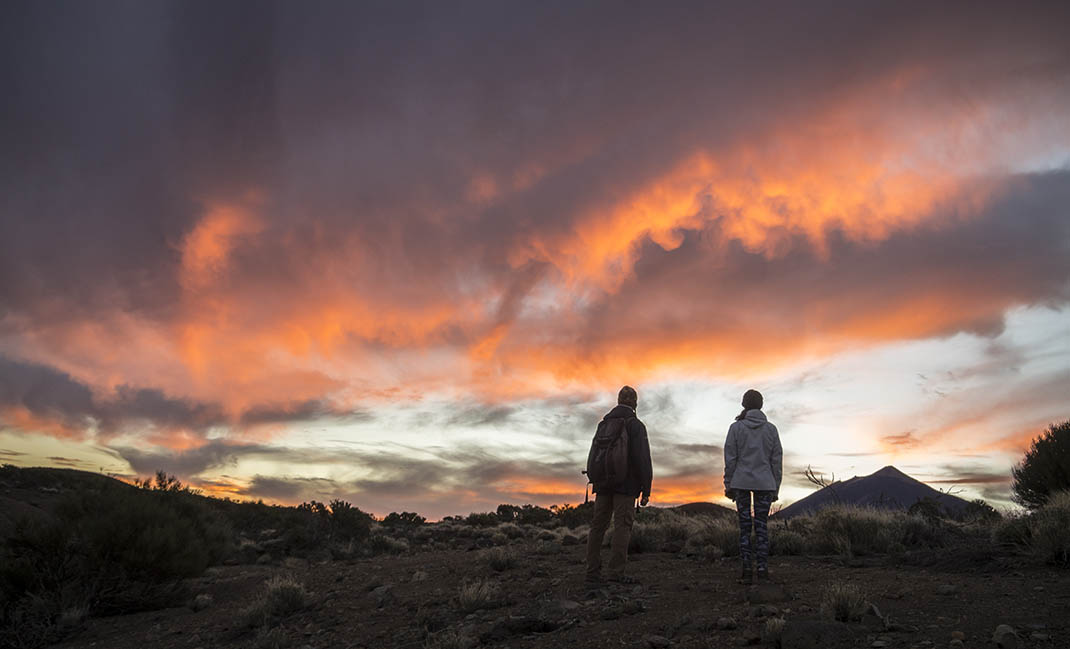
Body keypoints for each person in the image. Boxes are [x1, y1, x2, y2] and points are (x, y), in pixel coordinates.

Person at [585, 385, 653, 586]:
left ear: (618, 401)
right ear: (635, 403)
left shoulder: (603, 424)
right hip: (626, 485)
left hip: (603, 484)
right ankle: (615, 573)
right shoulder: (635, 425)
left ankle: (592, 572)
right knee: (622, 526)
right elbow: (643, 459)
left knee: (597, 527)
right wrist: (646, 489)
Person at [723, 389, 782, 584]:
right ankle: (762, 570)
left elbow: (730, 458)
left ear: (744, 405)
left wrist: (729, 483)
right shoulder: (771, 430)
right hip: (765, 483)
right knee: (762, 527)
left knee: (745, 527)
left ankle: (747, 571)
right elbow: (776, 460)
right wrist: (775, 487)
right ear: (761, 405)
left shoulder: (736, 428)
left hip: (741, 482)